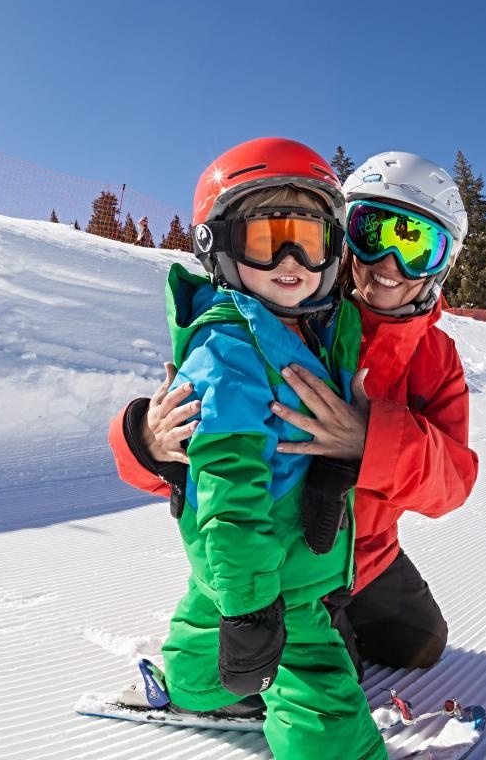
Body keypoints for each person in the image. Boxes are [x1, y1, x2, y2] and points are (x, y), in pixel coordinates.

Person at [110, 149, 479, 694]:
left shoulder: (435, 357)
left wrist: (369, 440)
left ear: (441, 265)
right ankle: (217, 647)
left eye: (417, 245)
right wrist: (146, 440)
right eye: (371, 233)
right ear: (337, 233)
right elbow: (218, 443)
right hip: (290, 554)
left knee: (420, 643)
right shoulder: (290, 316)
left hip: (368, 554)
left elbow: (452, 485)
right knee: (324, 675)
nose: (389, 265)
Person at [144, 137, 385, 760]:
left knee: (207, 606)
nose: (290, 260)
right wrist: (252, 611)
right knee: (318, 686)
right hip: (276, 575)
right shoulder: (229, 356)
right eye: (265, 238)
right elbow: (228, 489)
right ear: (218, 247)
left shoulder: (298, 331)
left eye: (308, 240)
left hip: (245, 560)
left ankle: (195, 684)